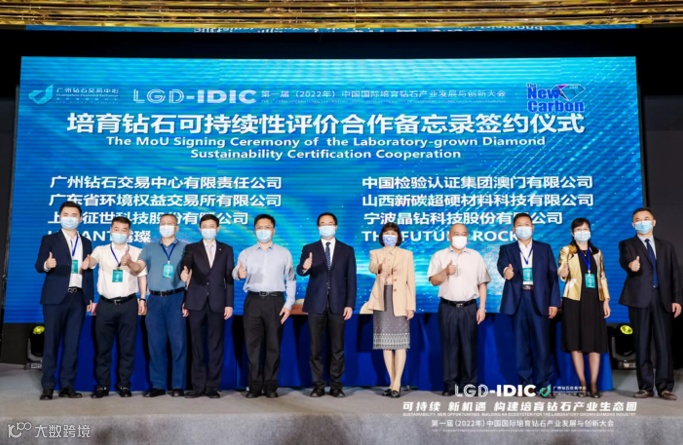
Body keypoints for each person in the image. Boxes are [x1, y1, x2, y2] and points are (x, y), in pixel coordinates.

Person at [618, 207, 682, 401]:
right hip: (639, 299)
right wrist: (631, 265)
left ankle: (665, 387)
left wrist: (677, 300)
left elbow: (674, 275)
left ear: (653, 222)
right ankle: (645, 387)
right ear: (633, 224)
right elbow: (625, 260)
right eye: (638, 220)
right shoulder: (627, 244)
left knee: (664, 345)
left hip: (663, 299)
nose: (642, 222)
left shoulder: (666, 246)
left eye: (646, 219)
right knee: (642, 343)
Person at [34, 201, 94, 400]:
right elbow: (38, 265)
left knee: (72, 343)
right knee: (51, 342)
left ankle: (67, 385)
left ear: (80, 219)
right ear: (60, 217)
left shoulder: (86, 242)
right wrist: (47, 264)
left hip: (78, 297)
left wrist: (90, 297)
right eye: (66, 214)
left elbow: (88, 272)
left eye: (74, 215)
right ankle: (48, 386)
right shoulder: (49, 239)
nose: (70, 218)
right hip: (55, 298)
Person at [497, 212, 560, 397]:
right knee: (521, 345)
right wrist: (506, 272)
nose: (523, 228)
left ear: (532, 228)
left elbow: (552, 277)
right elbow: (502, 265)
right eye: (519, 225)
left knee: (542, 344)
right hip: (518, 301)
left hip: (540, 299)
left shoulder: (544, 248)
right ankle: (526, 383)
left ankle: (544, 384)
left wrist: (554, 302)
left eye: (526, 224)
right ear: (513, 229)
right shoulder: (506, 249)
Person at [233, 214, 296, 399]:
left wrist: (289, 304)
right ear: (254, 230)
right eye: (259, 227)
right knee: (252, 345)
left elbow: (291, 279)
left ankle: (270, 385)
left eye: (267, 227)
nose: (263, 231)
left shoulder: (284, 253)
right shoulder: (246, 253)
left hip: (276, 301)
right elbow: (236, 272)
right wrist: (239, 274)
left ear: (273, 230)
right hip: (253, 301)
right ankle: (254, 385)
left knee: (273, 345)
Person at [296, 212, 357, 398]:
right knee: (315, 348)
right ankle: (318, 385)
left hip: (339, 303)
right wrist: (305, 266)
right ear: (318, 227)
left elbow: (351, 279)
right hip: (316, 303)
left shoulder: (347, 250)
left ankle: (337, 385)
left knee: (337, 348)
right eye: (323, 224)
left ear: (336, 227)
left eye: (330, 223)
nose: (326, 226)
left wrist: (350, 304)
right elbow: (301, 271)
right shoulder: (309, 248)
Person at [87, 216, 147, 398]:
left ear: (129, 233)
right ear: (110, 230)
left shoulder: (137, 251)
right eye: (116, 229)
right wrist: (87, 263)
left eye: (124, 230)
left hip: (129, 304)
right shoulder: (101, 250)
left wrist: (142, 298)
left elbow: (140, 274)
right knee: (103, 348)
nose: (120, 233)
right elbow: (92, 262)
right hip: (106, 305)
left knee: (127, 348)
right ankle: (102, 386)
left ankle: (124, 385)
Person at [428, 223, 490, 396]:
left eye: (463, 234)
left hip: (469, 307)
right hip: (447, 307)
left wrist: (482, 308)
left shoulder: (475, 256)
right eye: (456, 234)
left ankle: (469, 384)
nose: (460, 237)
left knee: (469, 347)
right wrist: (445, 271)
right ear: (449, 236)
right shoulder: (439, 255)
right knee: (449, 346)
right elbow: (433, 281)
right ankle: (450, 384)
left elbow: (482, 283)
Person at [180, 214, 234, 399]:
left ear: (217, 229)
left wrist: (229, 303)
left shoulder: (226, 249)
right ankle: (197, 386)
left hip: (218, 302)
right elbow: (186, 264)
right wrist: (184, 271)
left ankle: (212, 386)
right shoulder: (191, 248)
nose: (208, 229)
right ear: (200, 229)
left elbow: (229, 278)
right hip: (196, 301)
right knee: (196, 345)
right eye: (205, 226)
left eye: (212, 226)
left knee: (215, 345)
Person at [134, 213, 188, 398]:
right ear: (158, 226)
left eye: (170, 223)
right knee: (155, 344)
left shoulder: (186, 248)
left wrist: (188, 298)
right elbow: (138, 267)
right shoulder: (149, 248)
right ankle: (157, 385)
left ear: (177, 227)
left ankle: (178, 385)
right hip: (155, 300)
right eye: (163, 223)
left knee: (178, 344)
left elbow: (192, 274)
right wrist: (130, 263)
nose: (166, 226)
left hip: (177, 298)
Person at [558, 218, 611, 398]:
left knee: (595, 343)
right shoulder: (567, 250)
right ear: (572, 233)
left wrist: (606, 300)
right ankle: (582, 383)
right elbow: (562, 270)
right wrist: (563, 272)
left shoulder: (597, 252)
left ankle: (594, 384)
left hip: (594, 300)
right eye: (578, 229)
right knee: (576, 342)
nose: (582, 232)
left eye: (585, 229)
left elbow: (602, 276)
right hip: (573, 299)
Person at [367, 222, 416, 398]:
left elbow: (411, 281)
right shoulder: (375, 253)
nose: (390, 236)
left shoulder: (406, 254)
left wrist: (411, 306)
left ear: (398, 237)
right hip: (382, 300)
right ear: (382, 236)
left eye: (393, 234)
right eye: (387, 233)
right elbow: (372, 268)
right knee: (386, 344)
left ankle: (397, 383)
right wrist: (381, 267)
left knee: (400, 343)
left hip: (400, 301)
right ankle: (391, 382)